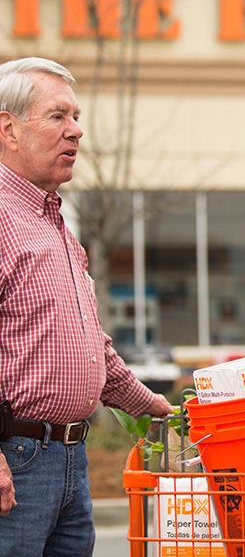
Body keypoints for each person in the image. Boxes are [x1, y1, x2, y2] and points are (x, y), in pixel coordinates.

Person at [0, 57, 173, 556]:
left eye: (76, 117)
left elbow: (90, 346)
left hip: (70, 460)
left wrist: (153, 406)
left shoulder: (58, 230)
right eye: (58, 116)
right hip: (17, 458)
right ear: (9, 129)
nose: (76, 131)